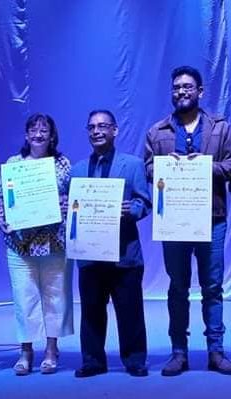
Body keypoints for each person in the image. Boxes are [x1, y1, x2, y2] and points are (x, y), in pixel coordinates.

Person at [144, 65, 231, 376]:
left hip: (212, 219)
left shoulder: (220, 128)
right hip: (174, 221)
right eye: (176, 87)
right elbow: (148, 169)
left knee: (213, 287)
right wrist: (165, 166)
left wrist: (206, 167)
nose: (181, 92)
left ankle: (216, 351)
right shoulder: (157, 131)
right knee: (178, 287)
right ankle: (178, 352)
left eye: (187, 87)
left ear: (200, 91)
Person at [72, 110, 151, 378]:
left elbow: (144, 201)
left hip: (124, 252)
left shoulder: (133, 164)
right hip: (89, 254)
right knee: (91, 311)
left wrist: (133, 209)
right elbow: (72, 206)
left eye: (102, 126)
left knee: (130, 311)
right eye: (91, 127)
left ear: (114, 130)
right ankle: (92, 360)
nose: (97, 131)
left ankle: (135, 360)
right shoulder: (77, 169)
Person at [0, 114, 73, 375]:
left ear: (52, 136)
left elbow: (74, 197)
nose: (38, 134)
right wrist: (2, 220)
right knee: (24, 298)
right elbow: (1, 198)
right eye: (33, 130)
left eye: (44, 130)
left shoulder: (63, 164)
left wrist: (67, 204)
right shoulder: (13, 164)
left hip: (55, 242)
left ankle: (51, 350)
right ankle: (25, 351)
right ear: (26, 135)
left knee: (55, 297)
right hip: (20, 245)